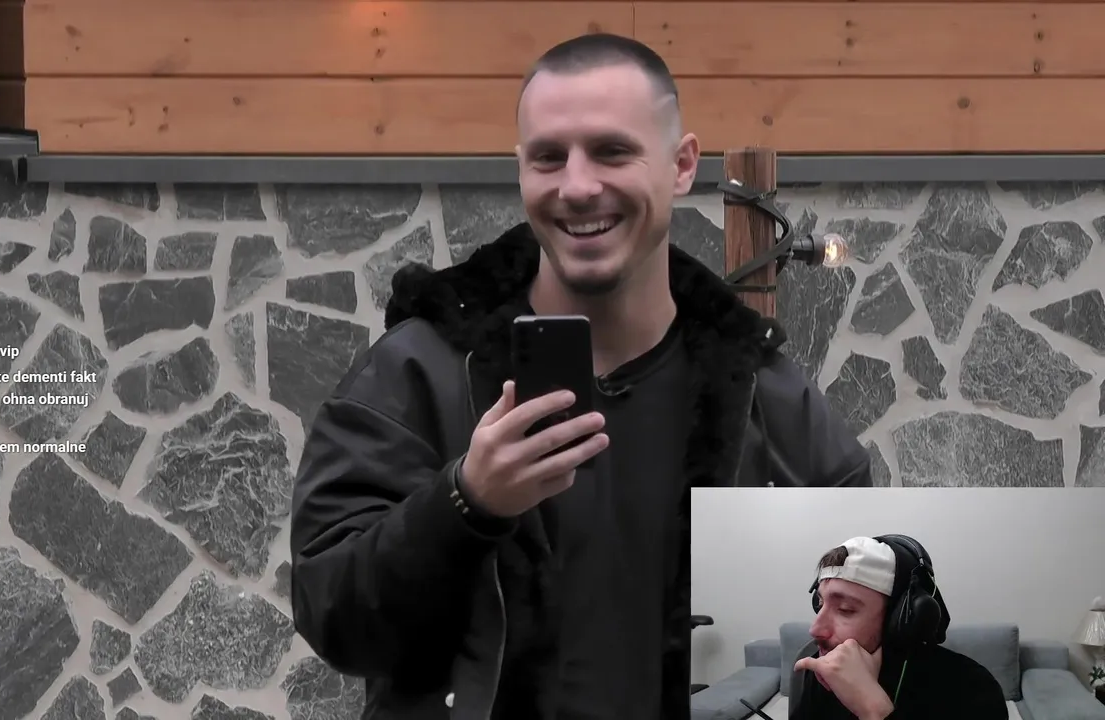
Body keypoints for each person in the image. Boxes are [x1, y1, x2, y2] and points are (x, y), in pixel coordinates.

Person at [290, 32, 872, 720]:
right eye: (548, 157)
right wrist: (464, 502)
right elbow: (333, 617)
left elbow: (850, 628)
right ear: (521, 170)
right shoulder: (421, 371)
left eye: (611, 151)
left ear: (682, 165)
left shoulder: (766, 401)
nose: (576, 186)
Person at [790, 535, 1007, 720]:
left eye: (845, 609)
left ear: (900, 618)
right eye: (820, 604)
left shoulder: (973, 689)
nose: (815, 629)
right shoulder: (825, 669)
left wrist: (874, 710)